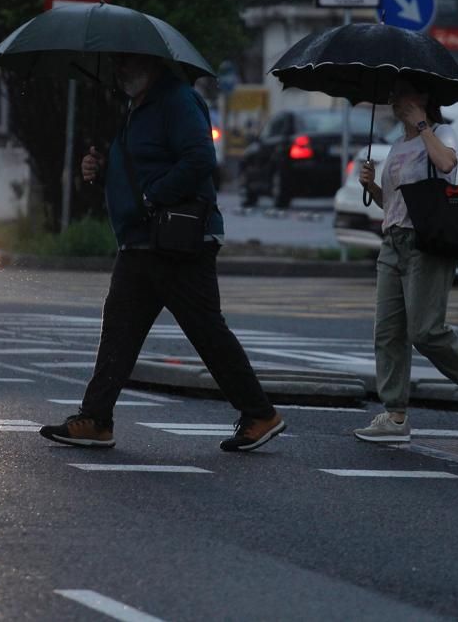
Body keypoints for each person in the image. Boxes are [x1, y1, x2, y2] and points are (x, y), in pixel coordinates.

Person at [39, 53, 286, 453]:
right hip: (141, 242)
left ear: (152, 63)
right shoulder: (137, 108)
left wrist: (154, 195)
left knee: (206, 331)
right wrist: (101, 168)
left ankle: (260, 414)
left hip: (177, 241)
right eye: (117, 63)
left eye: (127, 62)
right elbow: (142, 166)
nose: (119, 69)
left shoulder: (176, 99)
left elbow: (200, 159)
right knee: (119, 329)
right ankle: (96, 419)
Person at [352, 76, 458, 442]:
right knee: (388, 333)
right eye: (394, 94)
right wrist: (371, 186)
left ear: (423, 97)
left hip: (426, 244)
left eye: (403, 93)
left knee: (425, 330)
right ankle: (395, 415)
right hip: (393, 243)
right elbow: (393, 204)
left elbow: (448, 164)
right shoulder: (397, 146)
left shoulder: (440, 132)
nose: (396, 100)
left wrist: (422, 124)